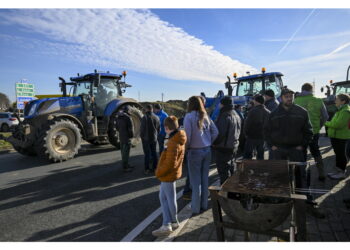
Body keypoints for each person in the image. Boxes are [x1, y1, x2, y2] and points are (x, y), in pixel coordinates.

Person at [264, 88, 324, 218]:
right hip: (278, 151)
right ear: (281, 98)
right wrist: (271, 146)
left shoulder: (301, 112)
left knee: (301, 175)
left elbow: (309, 131)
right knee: (278, 177)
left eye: (291, 96)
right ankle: (279, 201)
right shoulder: (273, 114)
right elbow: (266, 132)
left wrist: (302, 145)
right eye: (286, 96)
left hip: (295, 150)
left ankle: (305, 202)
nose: (289, 99)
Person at [152, 116, 187, 237]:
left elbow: (170, 163)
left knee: (170, 199)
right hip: (170, 174)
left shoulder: (173, 142)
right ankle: (170, 222)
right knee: (163, 197)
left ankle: (169, 223)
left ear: (167, 128)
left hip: (168, 175)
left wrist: (158, 172)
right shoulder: (176, 137)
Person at [184, 96, 218, 215]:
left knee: (195, 182)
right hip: (207, 150)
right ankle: (204, 205)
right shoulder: (206, 116)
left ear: (191, 104)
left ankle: (195, 208)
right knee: (204, 179)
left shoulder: (188, 117)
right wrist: (208, 141)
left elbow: (187, 136)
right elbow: (215, 132)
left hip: (194, 151)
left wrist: (186, 148)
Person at [294, 83, 329, 181]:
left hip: (300, 132)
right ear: (311, 90)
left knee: (302, 153)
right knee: (316, 151)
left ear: (302, 89)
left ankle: (302, 175)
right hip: (314, 131)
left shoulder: (296, 100)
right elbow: (325, 116)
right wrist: (319, 125)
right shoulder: (318, 100)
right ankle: (321, 174)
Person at [212, 96, 241, 184]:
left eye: (220, 103)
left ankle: (225, 193)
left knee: (223, 172)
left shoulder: (224, 115)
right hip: (233, 145)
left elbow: (219, 133)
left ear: (223, 104)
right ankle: (232, 190)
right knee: (231, 168)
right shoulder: (236, 114)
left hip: (223, 147)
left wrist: (214, 143)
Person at [325, 93, 350, 180]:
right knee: (339, 154)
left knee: (341, 155)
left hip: (341, 137)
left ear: (343, 101)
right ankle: (338, 171)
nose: (335, 101)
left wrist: (325, 123)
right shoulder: (340, 110)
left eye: (337, 99)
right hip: (337, 136)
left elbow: (337, 125)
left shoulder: (345, 111)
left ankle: (342, 173)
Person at [243, 94, 270, 160]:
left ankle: (248, 169)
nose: (253, 101)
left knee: (248, 155)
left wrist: (245, 133)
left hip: (251, 137)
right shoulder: (268, 112)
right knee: (260, 155)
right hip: (262, 138)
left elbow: (247, 124)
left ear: (257, 101)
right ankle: (259, 169)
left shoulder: (252, 111)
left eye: (254, 100)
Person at [140, 104, 160, 174]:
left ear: (147, 109)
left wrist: (142, 137)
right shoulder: (157, 117)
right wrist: (156, 135)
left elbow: (142, 130)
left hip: (146, 139)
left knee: (147, 154)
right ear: (152, 109)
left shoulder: (144, 117)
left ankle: (147, 169)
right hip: (154, 138)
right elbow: (158, 129)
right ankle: (155, 168)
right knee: (154, 153)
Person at [115, 105, 134, 172]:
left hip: (121, 136)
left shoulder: (118, 117)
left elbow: (116, 128)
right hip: (127, 137)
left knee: (123, 152)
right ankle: (125, 167)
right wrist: (131, 136)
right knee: (126, 153)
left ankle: (126, 164)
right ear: (128, 110)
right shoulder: (128, 118)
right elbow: (130, 129)